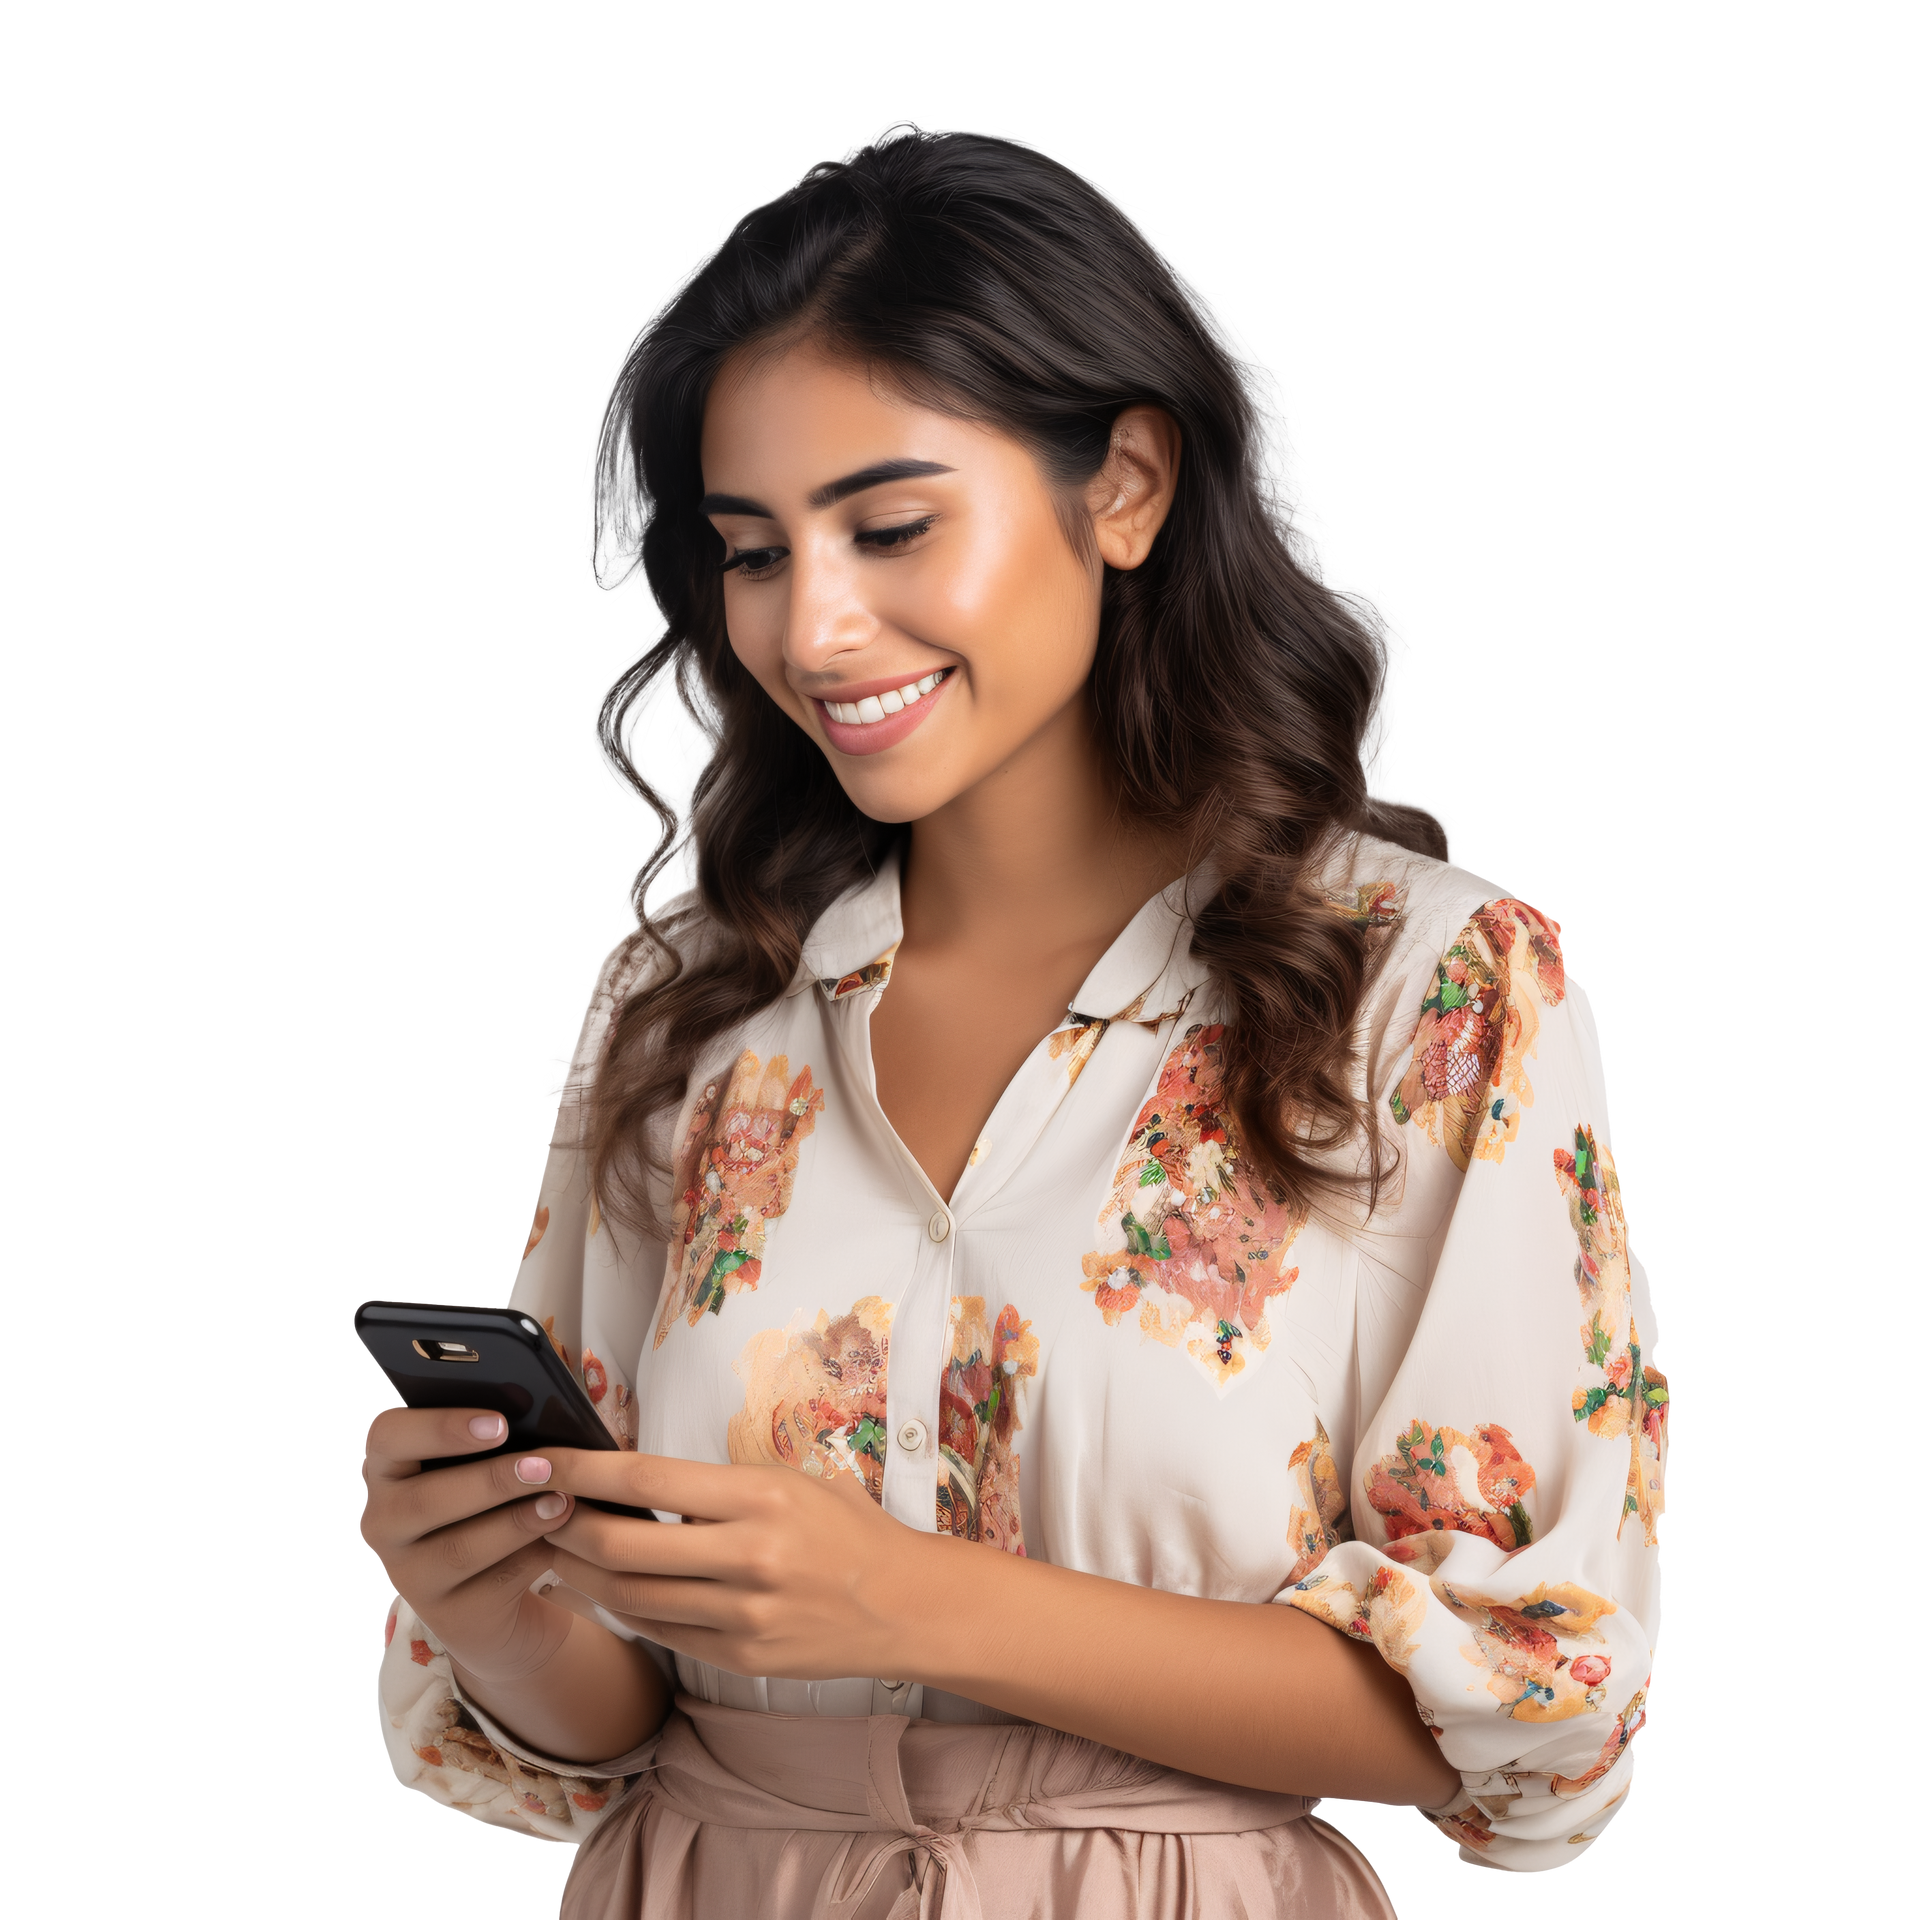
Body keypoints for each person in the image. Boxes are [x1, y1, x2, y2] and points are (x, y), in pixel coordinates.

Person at [358, 122, 1669, 1916]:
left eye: (889, 525)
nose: (814, 628)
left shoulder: (1426, 995)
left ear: (1125, 483)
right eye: (751, 552)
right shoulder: (691, 1007)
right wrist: (489, 1603)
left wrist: (911, 1601)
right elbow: (595, 1724)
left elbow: (1529, 1704)